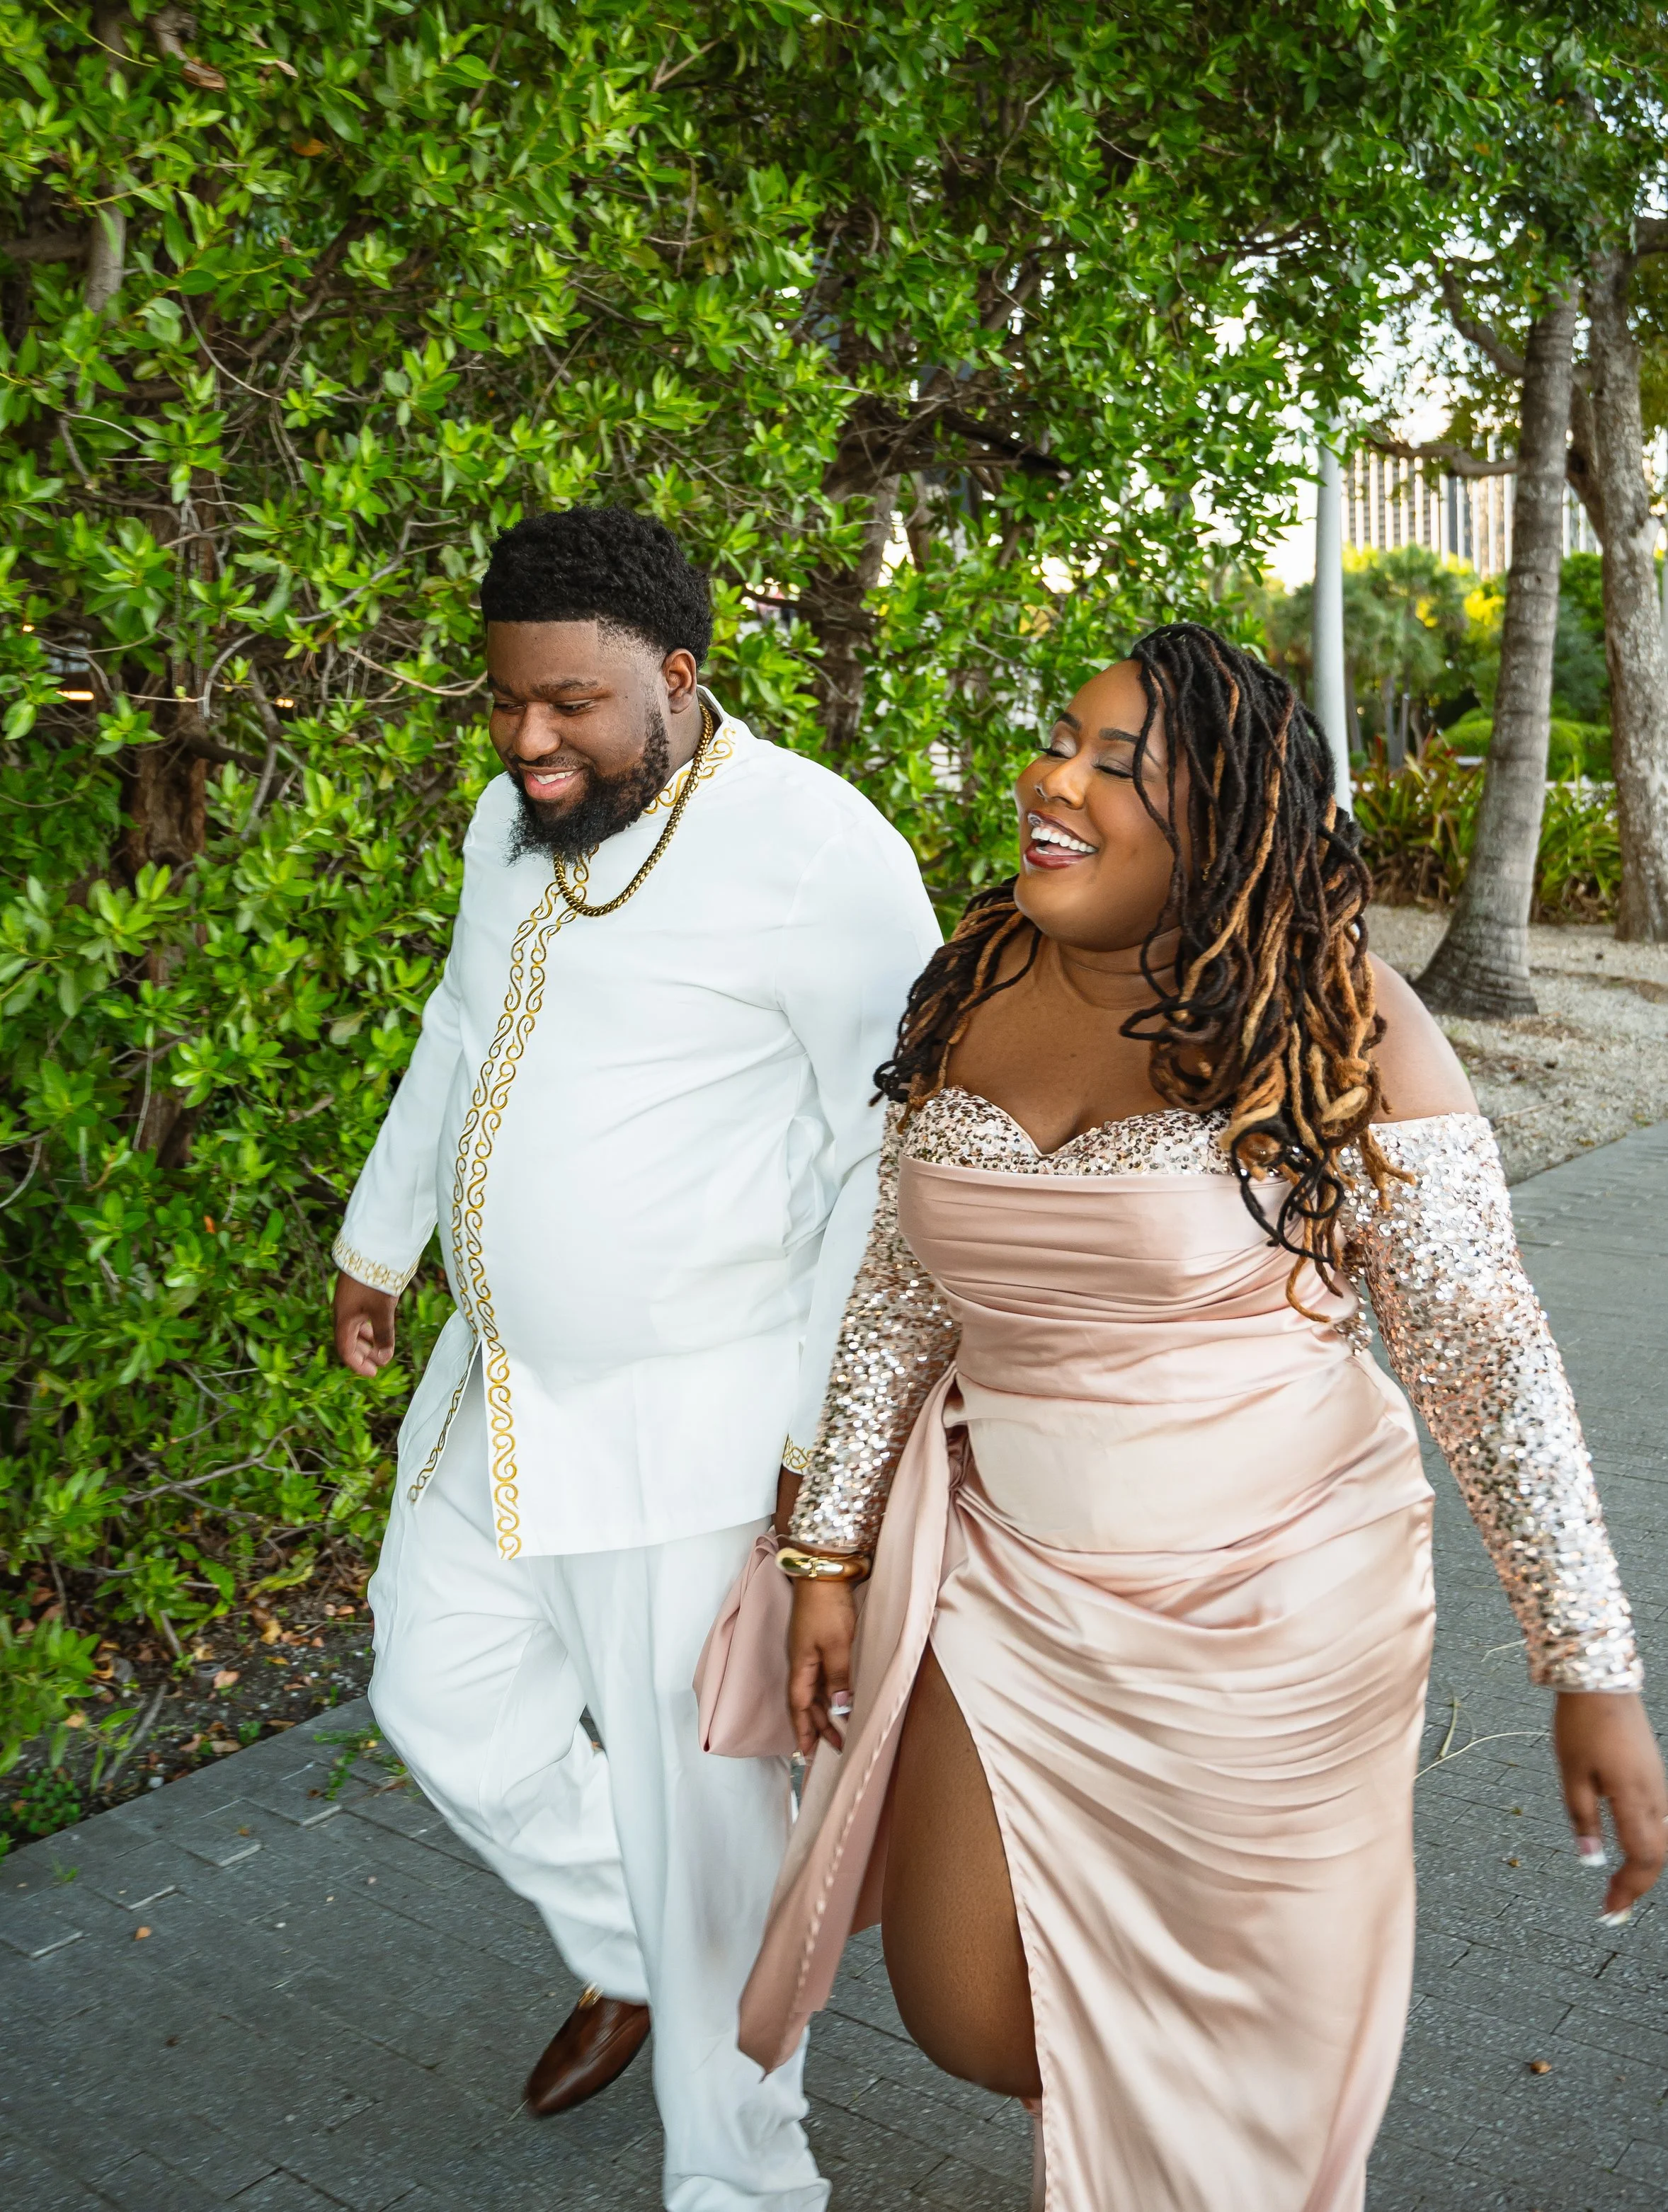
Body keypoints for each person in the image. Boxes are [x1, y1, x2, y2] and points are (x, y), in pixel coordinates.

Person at [741, 624, 1668, 2211]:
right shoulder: (974, 978)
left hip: (1271, 1610)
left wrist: (1586, 1665)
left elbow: (1483, 1355)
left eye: (1117, 766)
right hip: (1007, 1576)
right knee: (965, 2007)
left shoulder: (1341, 1021)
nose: (1051, 778)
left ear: (1220, 829)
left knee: (1234, 2046)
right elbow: (905, 1280)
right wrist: (824, 1548)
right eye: (1057, 739)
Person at [331, 506, 939, 2211]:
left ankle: (743, 2176)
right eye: (505, 701)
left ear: (677, 677)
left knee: (708, 1830)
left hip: (698, 1424)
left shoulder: (817, 850)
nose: (530, 740)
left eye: (573, 705)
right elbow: (464, 1026)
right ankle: (643, 1953)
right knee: (436, 1684)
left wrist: (830, 1450)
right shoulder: (510, 813)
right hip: (500, 1385)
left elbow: (874, 1164)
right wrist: (380, 1240)